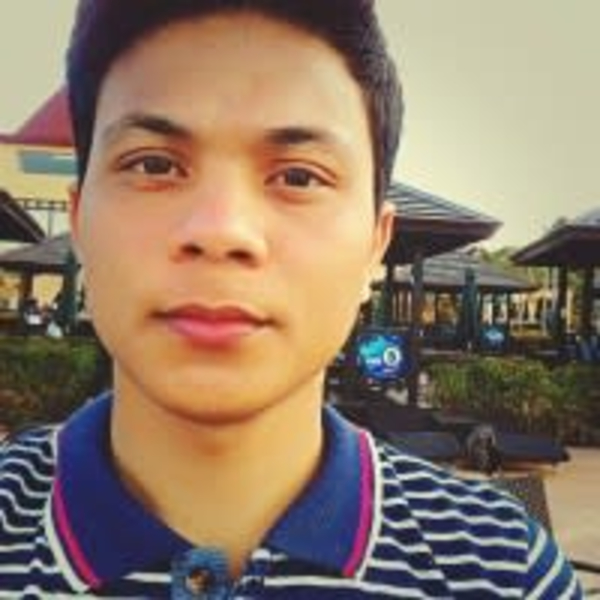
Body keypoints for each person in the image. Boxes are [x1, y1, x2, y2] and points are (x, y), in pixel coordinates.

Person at [0, 1, 582, 597]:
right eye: (154, 164)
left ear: (375, 245)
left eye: (299, 177)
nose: (222, 230)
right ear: (79, 223)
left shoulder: (502, 571)